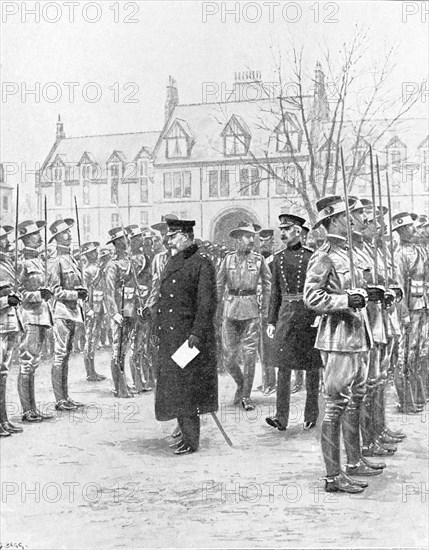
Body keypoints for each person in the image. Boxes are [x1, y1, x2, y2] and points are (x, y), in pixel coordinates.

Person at [304, 195, 382, 494]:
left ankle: (353, 461)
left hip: (358, 334)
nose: (353, 220)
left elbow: (357, 290)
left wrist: (369, 293)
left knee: (356, 397)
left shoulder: (351, 252)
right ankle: (332, 476)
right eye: (347, 216)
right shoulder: (323, 255)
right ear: (334, 221)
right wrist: (344, 300)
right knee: (336, 404)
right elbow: (313, 298)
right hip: (337, 337)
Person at [154, 219, 218, 455]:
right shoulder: (174, 260)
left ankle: (191, 440)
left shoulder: (203, 264)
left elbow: (207, 304)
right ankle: (183, 433)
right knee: (176, 387)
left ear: (186, 236)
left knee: (189, 389)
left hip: (189, 338)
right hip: (172, 335)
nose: (169, 241)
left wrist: (197, 333)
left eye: (173, 236)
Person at [266, 213, 321, 432]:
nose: (283, 233)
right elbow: (275, 293)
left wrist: (319, 315)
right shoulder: (277, 259)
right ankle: (281, 417)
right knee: (283, 367)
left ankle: (311, 415)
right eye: (282, 229)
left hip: (309, 314)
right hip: (286, 316)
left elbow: (319, 289)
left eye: (287, 229)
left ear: (298, 231)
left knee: (312, 367)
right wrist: (271, 320)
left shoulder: (312, 257)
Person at [216, 221, 271, 410]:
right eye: (248, 237)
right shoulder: (228, 260)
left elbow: (268, 284)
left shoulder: (259, 260)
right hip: (230, 311)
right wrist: (215, 310)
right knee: (229, 358)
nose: (252, 241)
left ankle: (246, 396)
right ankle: (240, 383)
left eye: (253, 237)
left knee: (249, 356)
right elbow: (218, 285)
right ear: (239, 239)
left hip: (251, 311)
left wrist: (265, 310)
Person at [48, 218, 88, 410]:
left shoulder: (72, 260)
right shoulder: (56, 261)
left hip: (73, 312)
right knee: (59, 355)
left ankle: (65, 396)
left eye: (69, 232)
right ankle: (59, 399)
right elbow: (54, 291)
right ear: (56, 238)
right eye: (65, 233)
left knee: (66, 356)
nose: (69, 235)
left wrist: (82, 293)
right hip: (61, 312)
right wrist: (75, 294)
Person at [17, 220, 55, 422]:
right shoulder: (21, 263)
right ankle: (26, 410)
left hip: (42, 316)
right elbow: (18, 293)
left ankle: (32, 408)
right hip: (29, 316)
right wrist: (38, 295)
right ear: (25, 239)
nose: (39, 237)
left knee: (34, 364)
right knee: (26, 362)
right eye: (34, 234)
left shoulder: (42, 262)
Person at [393, 212, 427, 412]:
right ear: (403, 230)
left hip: (422, 306)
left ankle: (417, 396)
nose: (416, 230)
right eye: (411, 227)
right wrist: (403, 313)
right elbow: (399, 288)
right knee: (405, 355)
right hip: (410, 309)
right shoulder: (400, 254)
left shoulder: (418, 250)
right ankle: (406, 401)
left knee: (418, 352)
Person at [0, 225, 24, 436]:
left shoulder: (7, 262)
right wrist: (5, 300)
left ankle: (3, 420)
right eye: (2, 239)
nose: (7, 241)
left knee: (3, 374)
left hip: (10, 325)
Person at [81, 241, 106, 382]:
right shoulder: (86, 269)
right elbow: (85, 291)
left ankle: (93, 371)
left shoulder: (96, 267)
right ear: (87, 255)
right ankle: (90, 373)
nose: (96, 254)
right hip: (91, 307)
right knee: (89, 339)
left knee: (94, 338)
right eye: (92, 252)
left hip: (99, 305)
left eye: (95, 251)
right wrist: (88, 309)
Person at [258, 229, 276, 394]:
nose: (263, 244)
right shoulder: (258, 261)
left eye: (266, 241)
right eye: (261, 241)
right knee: (260, 347)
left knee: (269, 347)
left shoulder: (275, 261)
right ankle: (266, 380)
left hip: (271, 309)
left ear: (272, 242)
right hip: (259, 308)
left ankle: (271, 382)